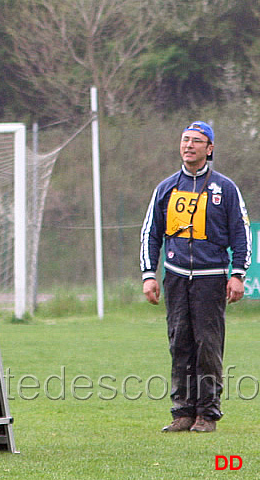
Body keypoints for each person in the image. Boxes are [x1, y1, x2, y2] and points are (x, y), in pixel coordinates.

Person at [140, 121, 251, 433]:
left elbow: (241, 235)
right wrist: (150, 274)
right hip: (175, 278)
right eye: (185, 140)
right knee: (180, 344)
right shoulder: (165, 188)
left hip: (211, 278)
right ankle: (183, 412)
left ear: (210, 148)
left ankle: (207, 413)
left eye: (197, 141)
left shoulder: (225, 189)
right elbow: (151, 233)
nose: (189, 145)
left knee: (208, 345)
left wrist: (238, 274)